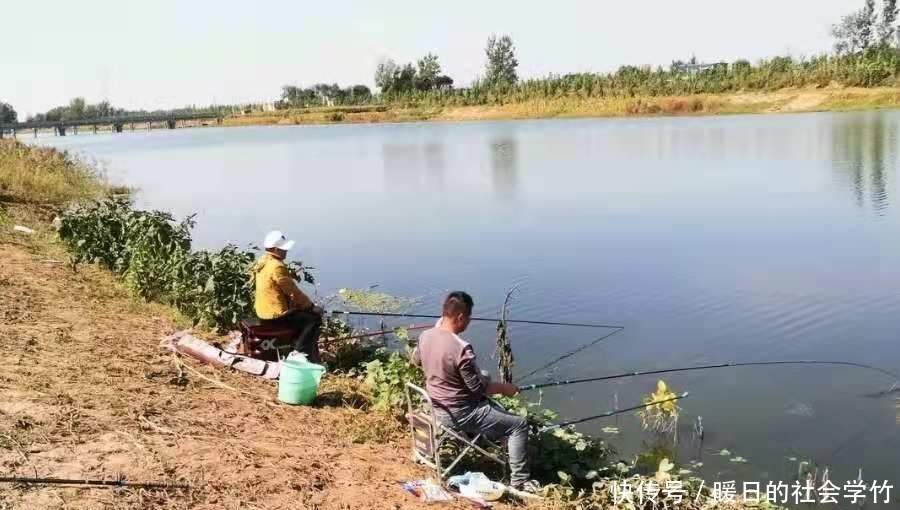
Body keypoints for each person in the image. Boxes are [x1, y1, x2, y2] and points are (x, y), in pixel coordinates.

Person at [412, 291, 539, 493]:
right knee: (519, 425)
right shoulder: (461, 348)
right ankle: (520, 482)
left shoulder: (425, 335)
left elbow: (417, 361)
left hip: (434, 406)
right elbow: (479, 389)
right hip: (459, 414)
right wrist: (506, 389)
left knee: (484, 374)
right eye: (468, 318)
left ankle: (489, 436)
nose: (468, 323)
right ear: (461, 317)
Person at [252, 230, 323, 362]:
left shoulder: (263, 261)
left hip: (262, 311)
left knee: (301, 314)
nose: (286, 251)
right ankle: (300, 353)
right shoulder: (277, 266)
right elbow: (293, 292)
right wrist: (311, 306)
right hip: (275, 315)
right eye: (282, 249)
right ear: (274, 249)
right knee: (313, 319)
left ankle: (295, 346)